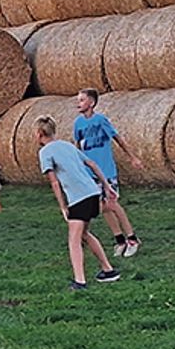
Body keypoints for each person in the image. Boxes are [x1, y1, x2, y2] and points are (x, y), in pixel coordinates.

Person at [35, 115, 121, 290]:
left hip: (78, 198)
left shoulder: (44, 152)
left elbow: (54, 182)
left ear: (38, 134)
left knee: (73, 239)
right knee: (84, 234)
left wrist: (63, 207)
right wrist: (106, 186)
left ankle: (80, 281)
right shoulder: (67, 145)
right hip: (93, 192)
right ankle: (108, 270)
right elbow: (92, 164)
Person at [73, 89, 143, 257]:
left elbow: (117, 138)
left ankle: (132, 238)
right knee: (101, 208)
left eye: (82, 100)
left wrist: (132, 157)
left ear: (91, 102)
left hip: (106, 171)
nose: (78, 103)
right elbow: (77, 146)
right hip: (90, 173)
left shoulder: (101, 120)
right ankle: (119, 240)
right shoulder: (78, 124)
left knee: (112, 204)